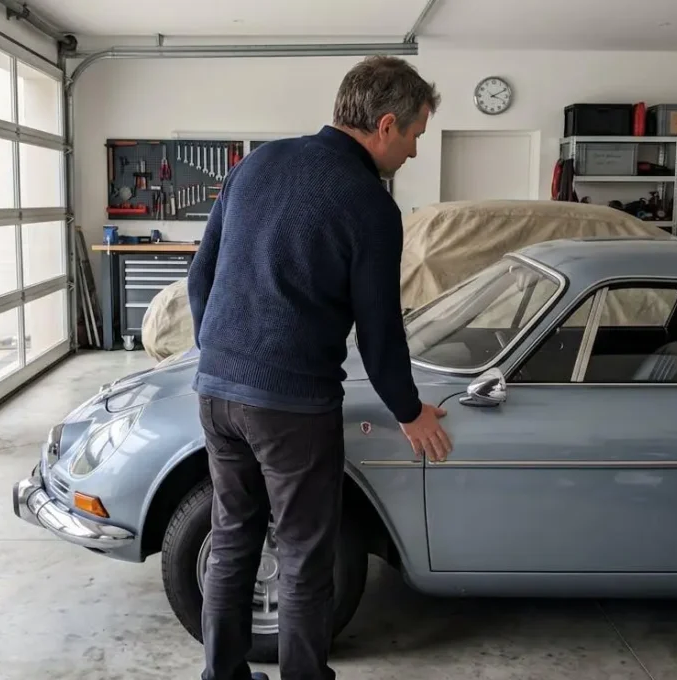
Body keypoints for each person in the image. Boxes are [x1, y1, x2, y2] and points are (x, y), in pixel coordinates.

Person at [185, 55, 452, 680]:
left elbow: (201, 277)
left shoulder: (256, 163)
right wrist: (409, 412)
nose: (414, 150)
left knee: (233, 536)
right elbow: (381, 329)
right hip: (291, 406)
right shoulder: (370, 205)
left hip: (216, 391)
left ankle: (220, 675)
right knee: (306, 554)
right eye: (415, 134)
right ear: (386, 125)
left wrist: (223, 355)